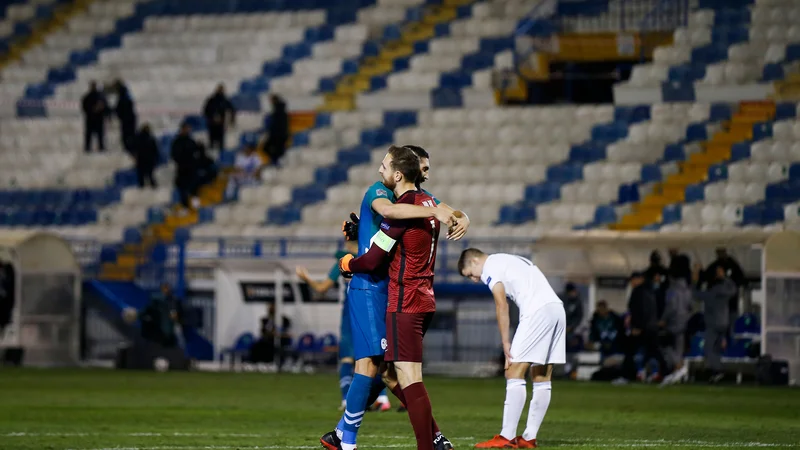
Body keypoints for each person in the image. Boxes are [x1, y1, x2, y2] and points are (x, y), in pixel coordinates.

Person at [320, 146, 459, 450]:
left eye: (383, 165)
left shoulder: (414, 202)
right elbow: (388, 214)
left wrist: (459, 217)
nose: (426, 174)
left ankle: (344, 434)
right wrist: (440, 212)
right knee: (374, 366)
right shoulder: (384, 193)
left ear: (399, 172)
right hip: (373, 289)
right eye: (424, 169)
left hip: (396, 293)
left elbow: (395, 223)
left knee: (391, 371)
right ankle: (347, 438)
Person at [458, 249, 566, 449]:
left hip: (537, 311)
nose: (474, 279)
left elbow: (502, 305)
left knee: (513, 371)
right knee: (541, 376)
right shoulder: (509, 259)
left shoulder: (490, 266)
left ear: (474, 260)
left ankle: (506, 437)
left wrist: (505, 343)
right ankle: (529, 438)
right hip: (556, 309)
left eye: (471, 274)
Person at [295, 240, 391, 412]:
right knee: (375, 355)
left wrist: (306, 278)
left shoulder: (344, 260)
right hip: (373, 307)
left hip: (351, 309)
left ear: (348, 241)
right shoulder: (374, 256)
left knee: (347, 358)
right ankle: (382, 398)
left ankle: (348, 400)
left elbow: (322, 288)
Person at [614, 271, 668, 384]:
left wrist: (636, 326)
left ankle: (627, 376)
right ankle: (665, 373)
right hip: (651, 327)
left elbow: (640, 311)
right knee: (654, 351)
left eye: (633, 280)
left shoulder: (639, 292)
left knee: (630, 352)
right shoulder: (651, 291)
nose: (632, 283)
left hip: (642, 328)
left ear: (639, 279)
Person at [693, 263, 737, 384]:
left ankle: (717, 370)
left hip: (713, 323)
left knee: (708, 349)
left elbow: (696, 295)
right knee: (717, 349)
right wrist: (725, 277)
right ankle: (716, 373)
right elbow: (734, 289)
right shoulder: (726, 290)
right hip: (724, 322)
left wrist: (695, 281)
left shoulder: (712, 292)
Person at [658, 267, 693, 386]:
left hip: (673, 322)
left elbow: (670, 307)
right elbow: (690, 306)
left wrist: (663, 319)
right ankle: (678, 372)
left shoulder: (671, 290)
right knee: (679, 348)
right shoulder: (687, 290)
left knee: (665, 345)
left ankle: (679, 367)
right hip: (685, 321)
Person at [171, 121, 203, 211]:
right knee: (182, 188)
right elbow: (175, 155)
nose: (188, 130)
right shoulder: (177, 141)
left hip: (192, 168)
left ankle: (196, 206)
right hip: (182, 169)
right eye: (186, 128)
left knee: (195, 186)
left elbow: (197, 153)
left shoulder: (191, 141)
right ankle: (185, 207)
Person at [203, 83, 235, 151]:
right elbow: (205, 110)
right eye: (219, 89)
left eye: (222, 89)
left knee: (221, 143)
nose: (220, 91)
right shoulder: (211, 100)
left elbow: (232, 109)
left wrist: (232, 120)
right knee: (211, 142)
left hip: (221, 124)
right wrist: (211, 118)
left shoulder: (225, 100)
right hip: (212, 124)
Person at [81, 81, 107, 152]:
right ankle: (88, 148)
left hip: (98, 118)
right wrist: (92, 110)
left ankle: (101, 147)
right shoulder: (87, 97)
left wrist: (100, 109)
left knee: (100, 135)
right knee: (89, 135)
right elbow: (84, 107)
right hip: (91, 118)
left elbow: (105, 106)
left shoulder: (101, 96)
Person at [113, 79, 137, 154]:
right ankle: (130, 147)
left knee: (127, 134)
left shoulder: (124, 96)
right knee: (129, 134)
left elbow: (121, 107)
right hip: (129, 118)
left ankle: (129, 148)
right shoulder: (126, 95)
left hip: (127, 118)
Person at [265, 94, 289, 166]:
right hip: (280, 134)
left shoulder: (278, 111)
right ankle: (275, 161)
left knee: (273, 149)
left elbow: (277, 124)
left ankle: (275, 161)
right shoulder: (279, 110)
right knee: (277, 150)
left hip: (278, 134)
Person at [133, 123, 159, 188]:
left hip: (143, 160)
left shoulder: (140, 138)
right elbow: (155, 150)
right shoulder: (150, 138)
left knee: (145, 176)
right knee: (148, 176)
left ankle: (143, 188)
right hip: (146, 160)